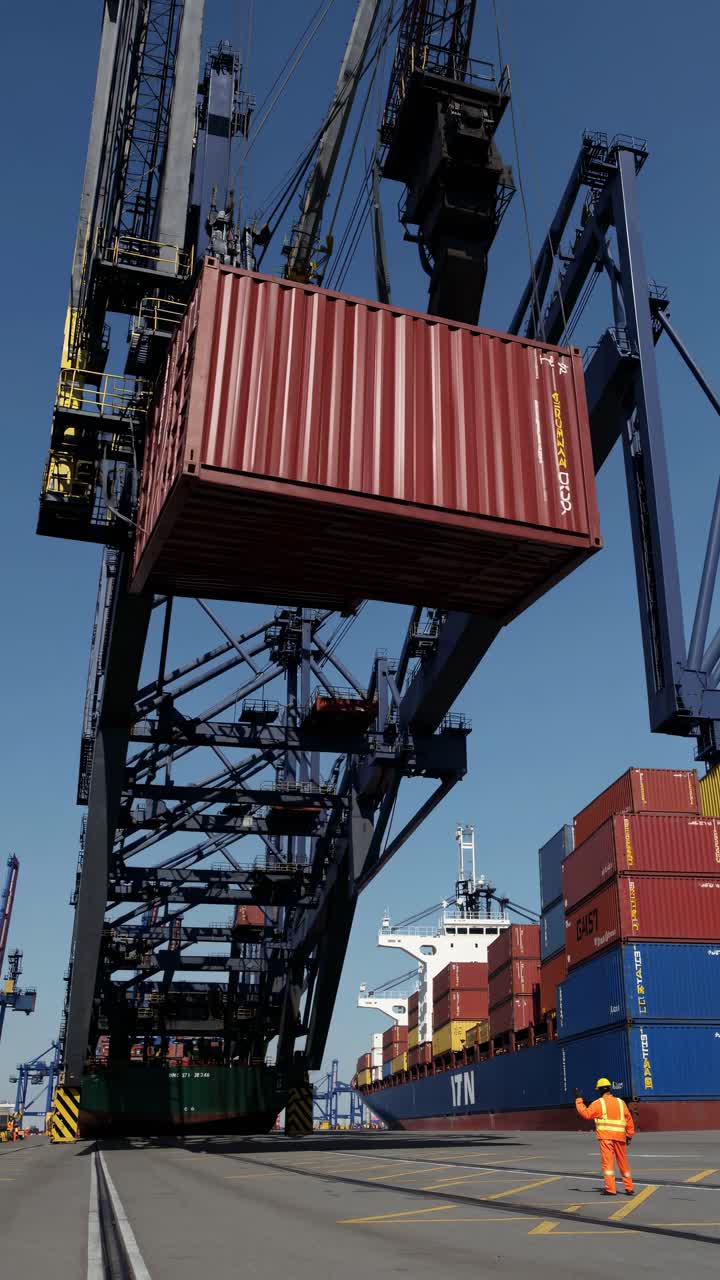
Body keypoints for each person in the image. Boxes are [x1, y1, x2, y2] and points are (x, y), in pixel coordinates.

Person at [575, 1077, 635, 1196]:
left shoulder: (598, 1104)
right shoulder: (620, 1102)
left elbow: (586, 1114)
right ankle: (629, 1188)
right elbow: (629, 1119)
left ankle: (611, 1189)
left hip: (606, 1137)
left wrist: (578, 1100)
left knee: (608, 1163)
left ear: (599, 1090)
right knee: (623, 1162)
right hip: (620, 1137)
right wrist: (629, 1135)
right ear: (610, 1089)